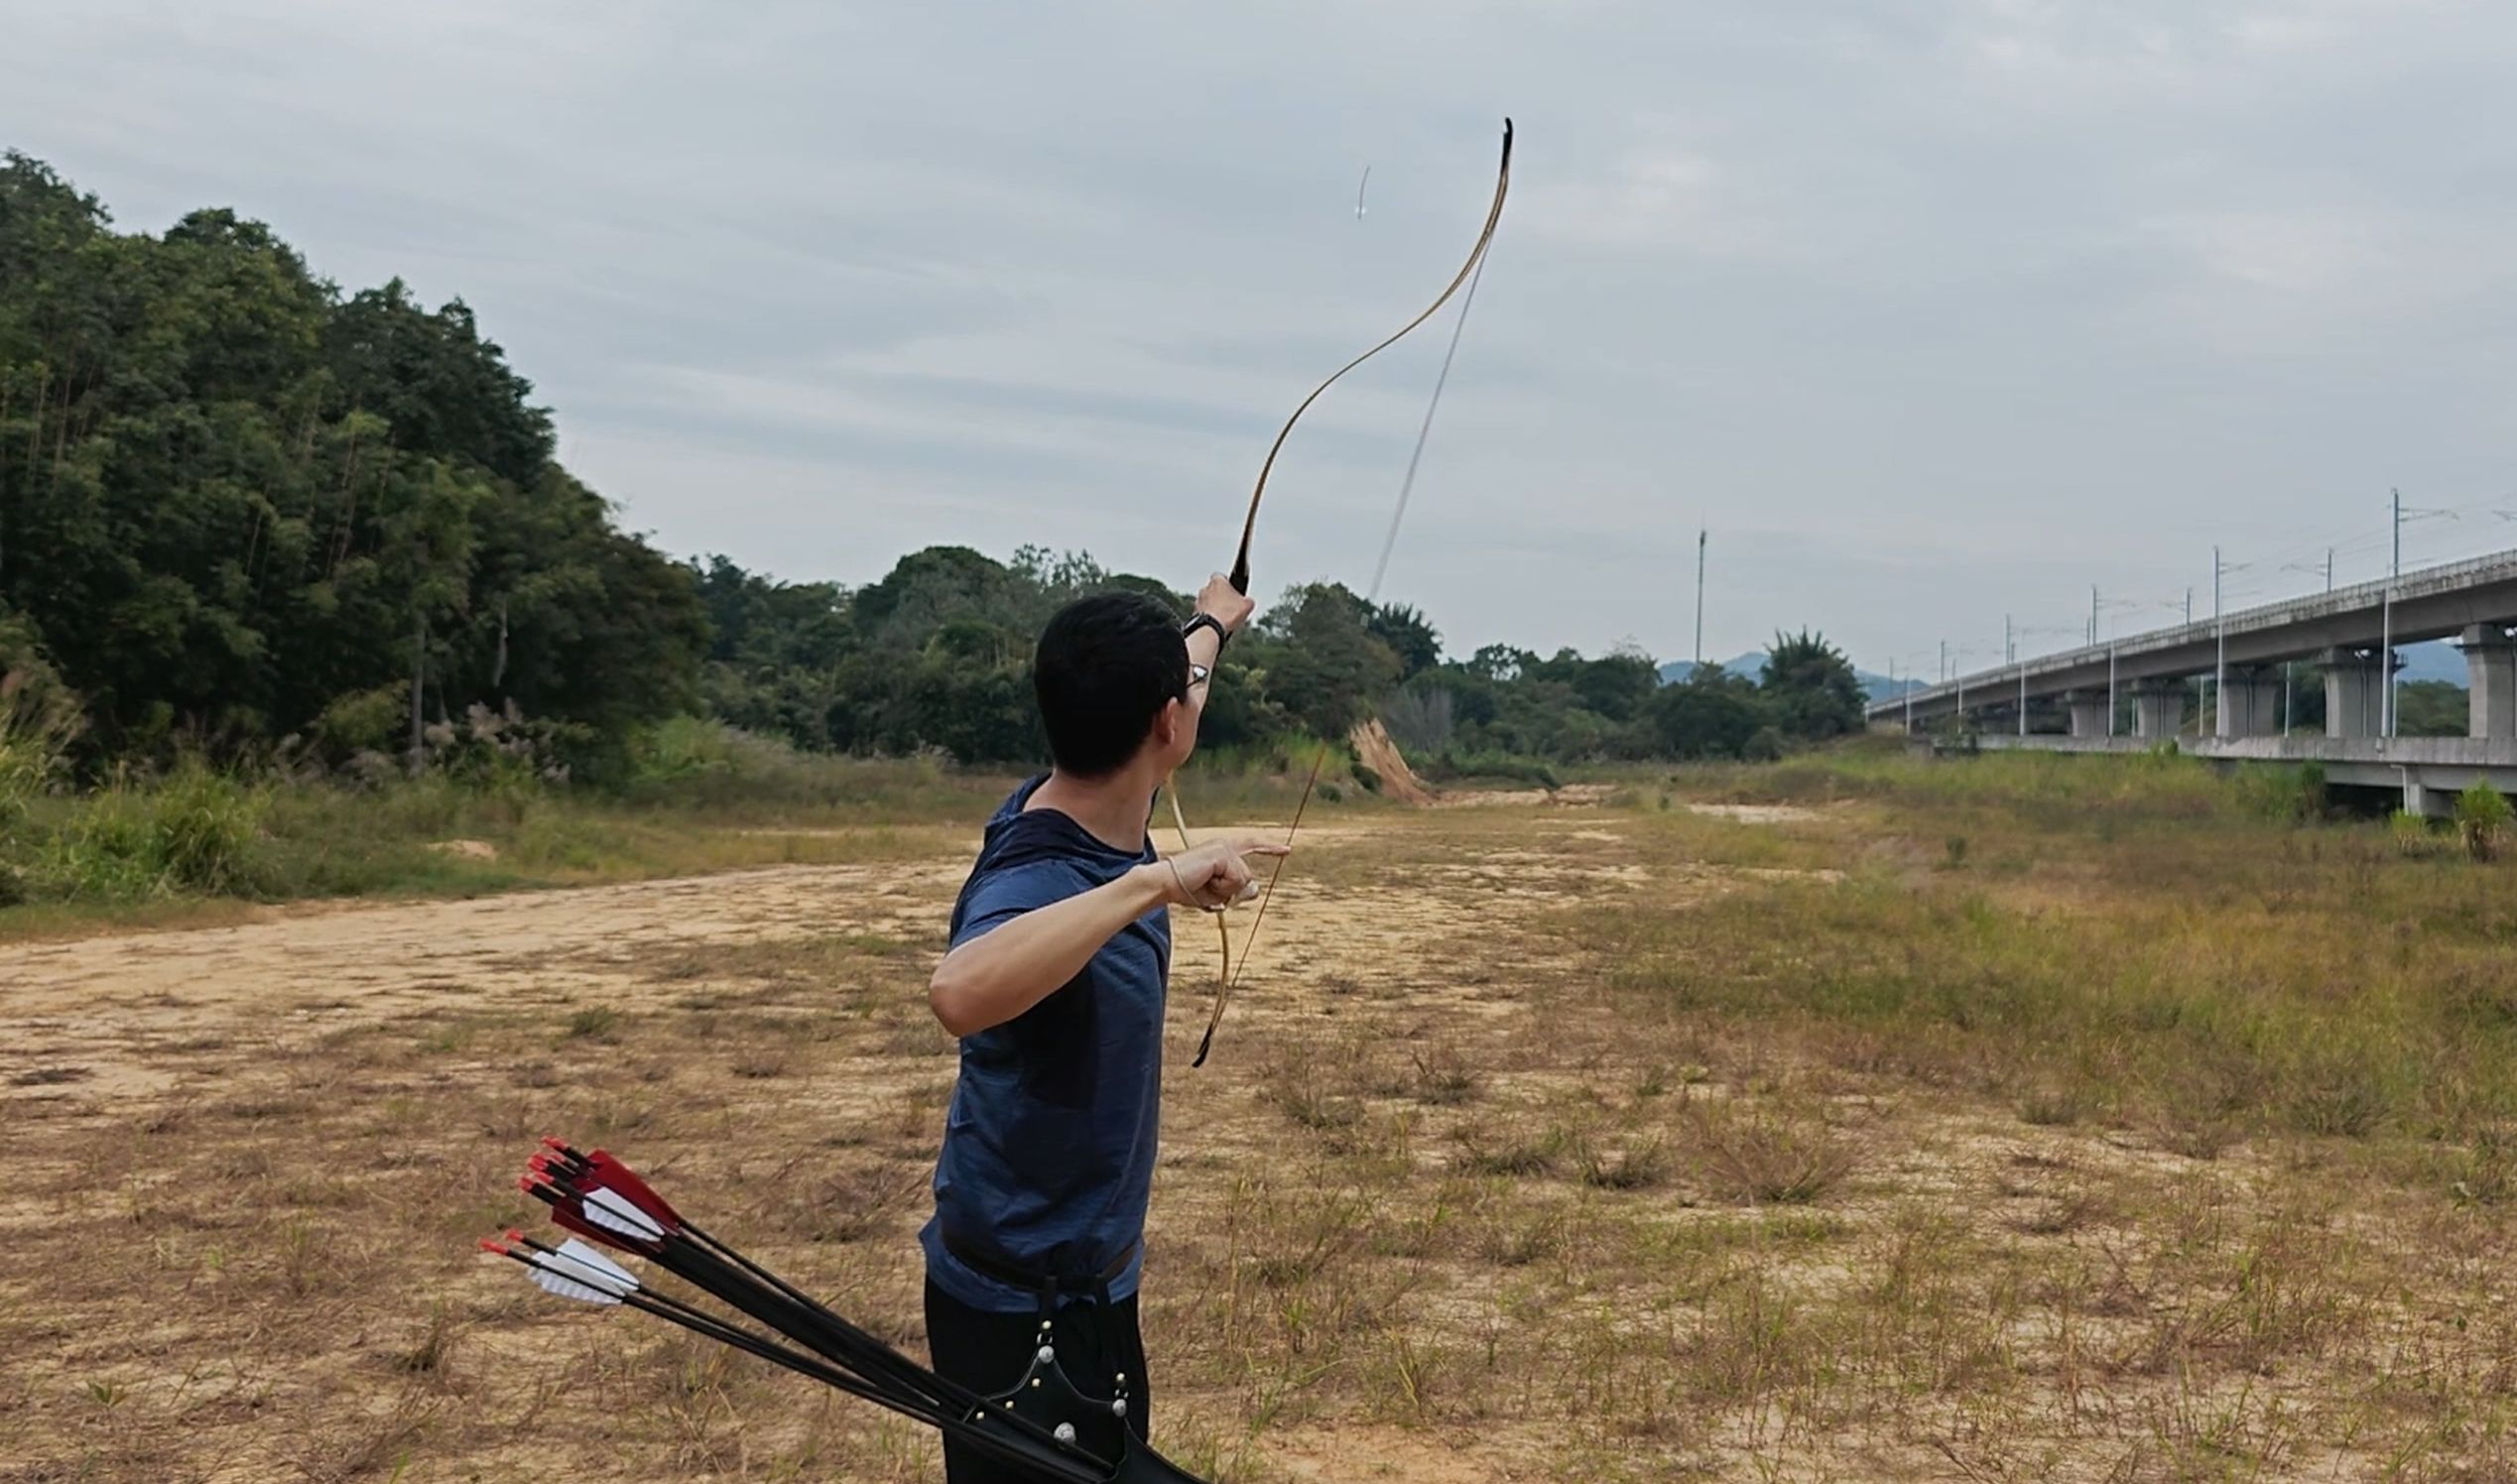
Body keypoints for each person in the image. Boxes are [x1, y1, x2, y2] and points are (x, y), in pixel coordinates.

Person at [921, 574, 1283, 1481]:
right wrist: (1153, 884)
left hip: (1083, 1283)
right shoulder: (1040, 870)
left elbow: (1179, 681)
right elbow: (959, 993)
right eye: (1182, 698)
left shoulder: (1089, 790)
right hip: (1022, 1307)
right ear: (1166, 726)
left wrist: (1210, 624)